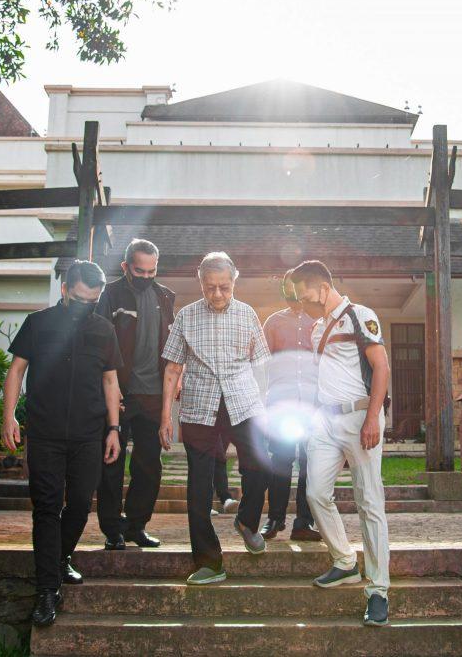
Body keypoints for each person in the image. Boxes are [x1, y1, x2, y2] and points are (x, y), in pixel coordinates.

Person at [1, 260, 123, 629]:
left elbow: (110, 380)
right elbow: (16, 370)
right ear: (65, 290)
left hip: (89, 432)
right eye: (82, 299)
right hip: (45, 432)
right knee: (46, 507)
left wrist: (114, 428)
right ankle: (47, 590)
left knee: (82, 502)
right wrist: (9, 416)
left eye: (94, 300)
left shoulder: (104, 328)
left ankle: (60, 557)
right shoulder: (38, 323)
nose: (88, 305)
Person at [159, 251, 272, 585]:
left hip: (243, 403)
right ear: (201, 282)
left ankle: (247, 522)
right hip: (199, 408)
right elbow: (172, 368)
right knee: (198, 486)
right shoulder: (186, 317)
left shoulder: (248, 313)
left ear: (234, 281)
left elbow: (262, 364)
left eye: (224, 287)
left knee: (260, 466)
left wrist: (266, 407)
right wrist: (166, 415)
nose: (218, 294)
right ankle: (209, 562)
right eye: (211, 288)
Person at [291, 260, 391, 627]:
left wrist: (371, 418)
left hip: (359, 417)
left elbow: (381, 367)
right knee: (315, 493)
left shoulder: (360, 315)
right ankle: (345, 561)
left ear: (321, 286)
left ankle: (378, 590)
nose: (302, 304)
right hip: (324, 421)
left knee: (369, 502)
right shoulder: (317, 328)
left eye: (305, 296)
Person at [94, 239, 174, 550]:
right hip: (120, 393)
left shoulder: (165, 296)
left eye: (151, 270)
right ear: (126, 267)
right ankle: (112, 530)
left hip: (153, 396)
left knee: (149, 465)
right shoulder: (110, 295)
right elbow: (101, 346)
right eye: (139, 270)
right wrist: (109, 392)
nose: (145, 276)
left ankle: (136, 525)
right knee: (112, 463)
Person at [259, 271, 321, 541]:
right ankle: (275, 519)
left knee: (310, 464)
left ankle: (304, 523)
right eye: (286, 287)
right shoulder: (273, 322)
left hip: (313, 406)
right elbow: (262, 366)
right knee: (280, 463)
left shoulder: (320, 322)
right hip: (281, 407)